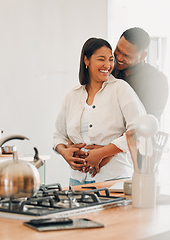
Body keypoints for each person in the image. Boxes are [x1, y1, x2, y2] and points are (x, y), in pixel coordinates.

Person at [53, 37, 146, 186]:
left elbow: (139, 129)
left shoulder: (120, 89)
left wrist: (102, 153)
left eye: (110, 59)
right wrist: (64, 152)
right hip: (77, 180)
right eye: (101, 59)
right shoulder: (72, 95)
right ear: (86, 60)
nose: (108, 65)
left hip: (114, 178)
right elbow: (58, 135)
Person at [112, 27, 169, 122]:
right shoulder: (109, 70)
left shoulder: (157, 81)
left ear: (142, 56)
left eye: (126, 55)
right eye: (118, 50)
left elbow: (148, 122)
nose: (119, 58)